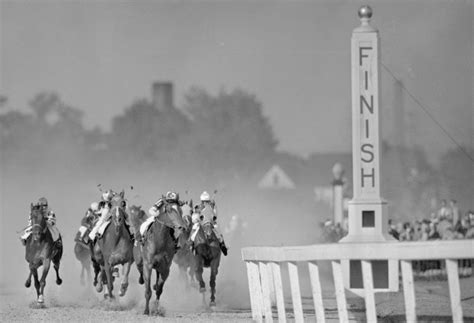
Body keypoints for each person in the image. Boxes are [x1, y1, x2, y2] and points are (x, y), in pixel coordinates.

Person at [189, 191, 228, 256]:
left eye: (206, 201)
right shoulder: (198, 207)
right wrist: (197, 218)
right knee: (194, 229)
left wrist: (214, 209)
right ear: (201, 201)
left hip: (211, 223)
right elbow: (194, 217)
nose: (205, 202)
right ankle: (191, 245)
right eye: (204, 201)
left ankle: (222, 245)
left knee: (218, 230)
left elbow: (215, 215)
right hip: (201, 223)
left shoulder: (212, 206)